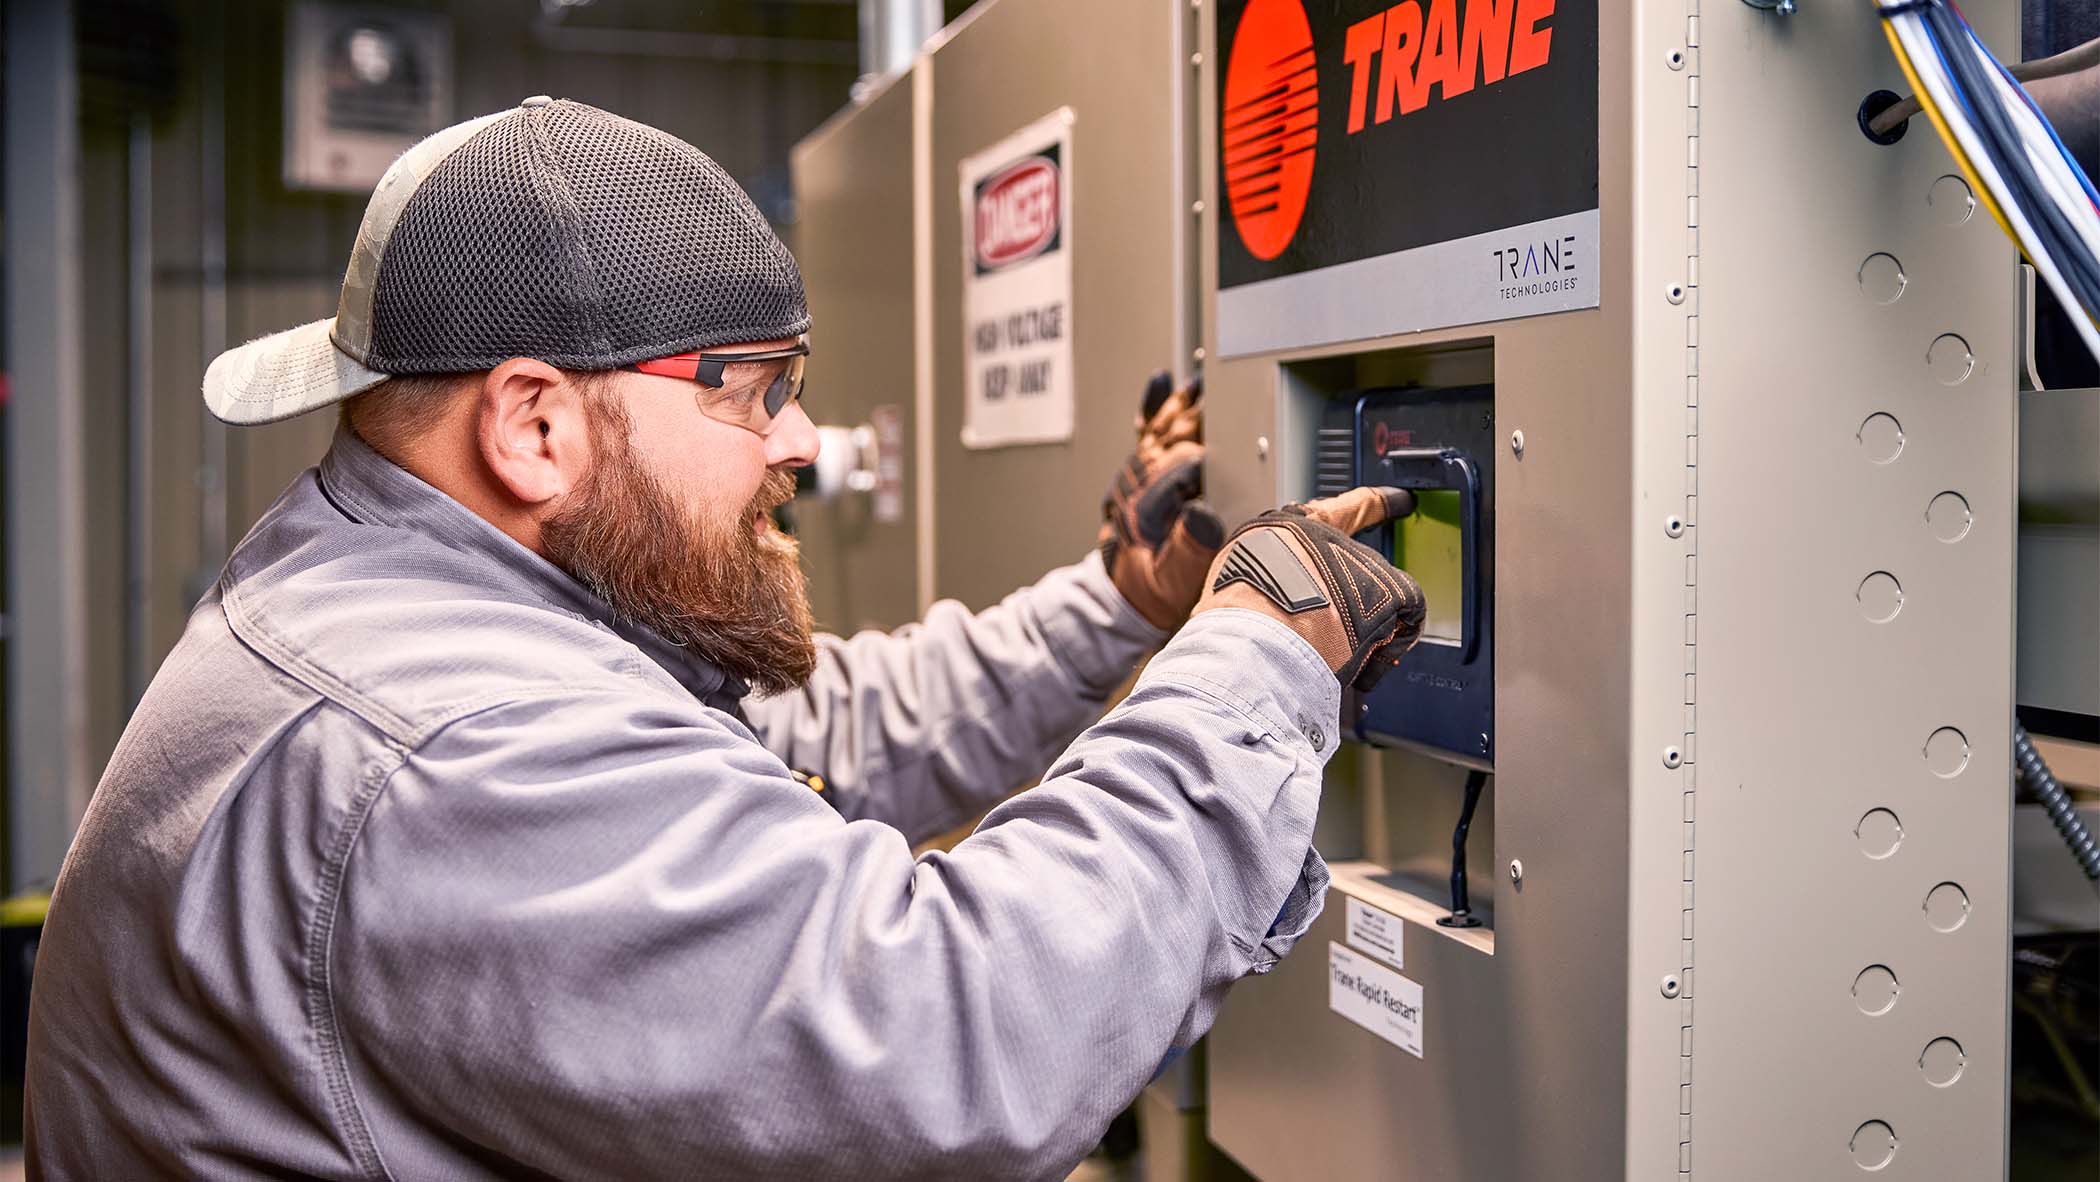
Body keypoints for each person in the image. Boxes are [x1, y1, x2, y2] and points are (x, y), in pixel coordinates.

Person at [23, 99, 1423, 1181]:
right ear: (532, 423)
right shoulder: (451, 750)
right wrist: (1258, 654)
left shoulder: (400, 588)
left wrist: (1124, 605)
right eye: (758, 389)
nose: (804, 441)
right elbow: (946, 1037)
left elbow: (783, 748)